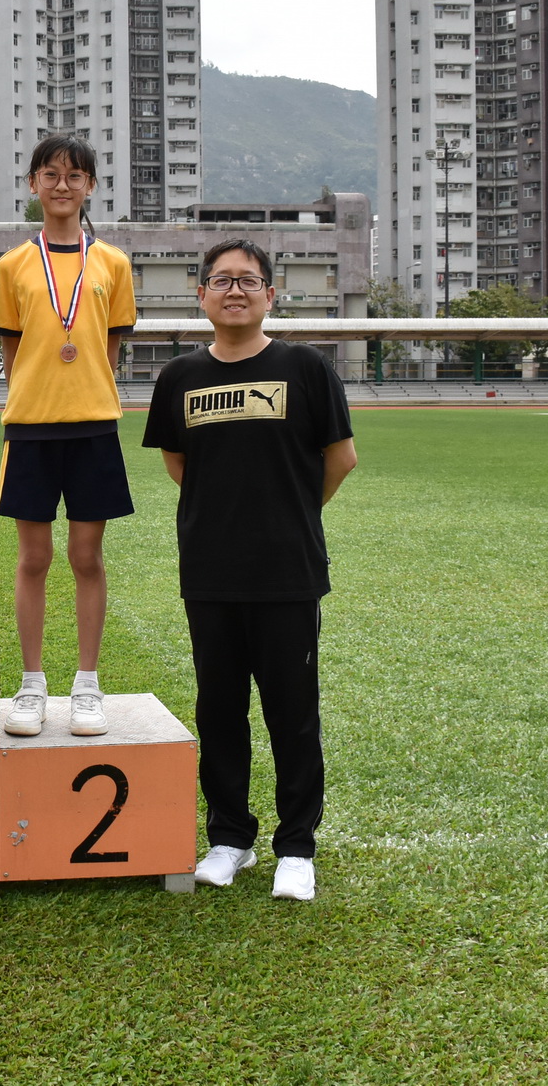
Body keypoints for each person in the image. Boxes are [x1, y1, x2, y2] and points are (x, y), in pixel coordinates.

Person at [141, 238, 358, 902]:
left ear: (270, 293)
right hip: (210, 573)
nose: (234, 290)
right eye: (221, 280)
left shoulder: (306, 368)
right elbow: (179, 464)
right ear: (201, 293)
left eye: (248, 280)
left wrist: (288, 514)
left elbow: (341, 459)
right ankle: (230, 838)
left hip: (288, 572)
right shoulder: (179, 377)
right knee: (220, 711)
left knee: (292, 714)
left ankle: (296, 847)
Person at [0, 134, 138, 738]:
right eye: (50, 174)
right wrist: (39, 393)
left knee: (86, 557)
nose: (62, 185)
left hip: (94, 426)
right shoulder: (12, 265)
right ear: (33, 184)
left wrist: (83, 390)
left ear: (90, 187)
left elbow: (110, 347)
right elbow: (12, 351)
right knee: (34, 558)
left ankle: (86, 684)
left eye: (75, 176)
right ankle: (31, 685)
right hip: (30, 427)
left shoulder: (114, 264)